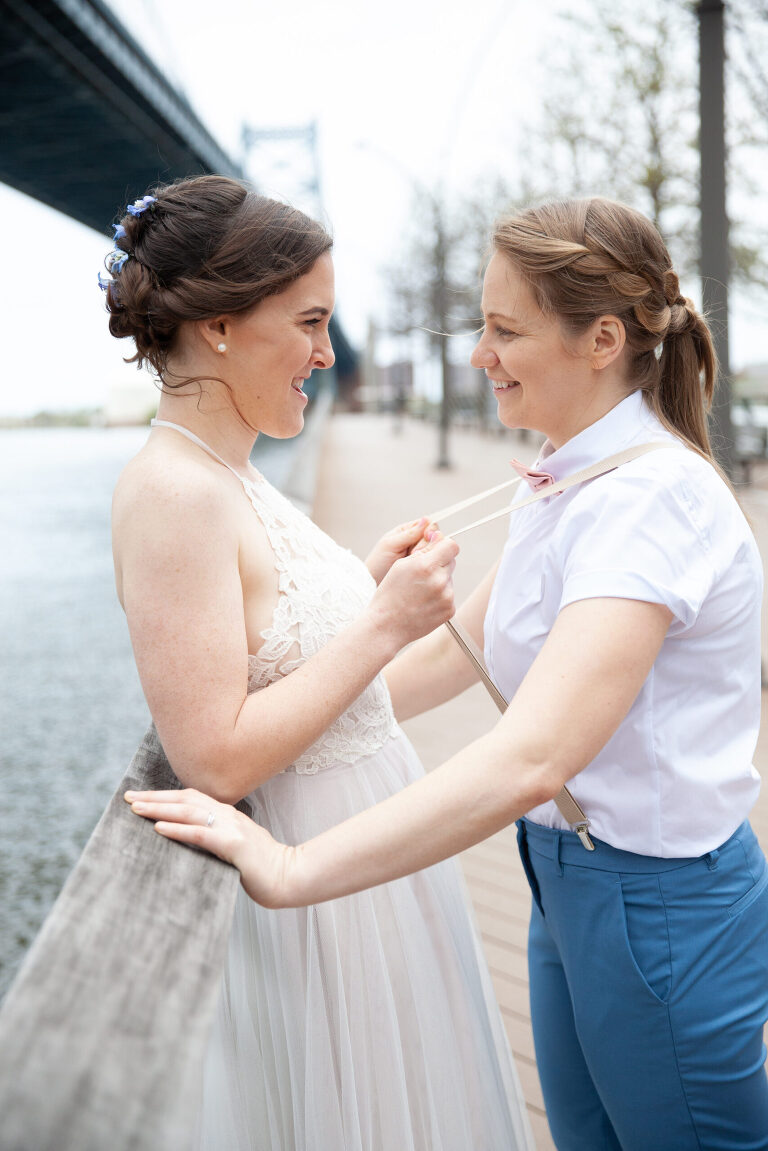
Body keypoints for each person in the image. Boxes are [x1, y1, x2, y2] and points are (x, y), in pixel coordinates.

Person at [129, 196, 768, 1151]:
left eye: (504, 329)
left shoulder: (650, 500)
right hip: (565, 883)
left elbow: (533, 757)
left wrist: (296, 866)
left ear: (601, 341)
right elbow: (446, 657)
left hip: (655, 902)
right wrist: (314, 669)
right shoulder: (569, 478)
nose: (478, 354)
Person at [104, 175, 534, 1151]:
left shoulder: (231, 472)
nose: (327, 354)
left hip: (366, 866)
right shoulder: (174, 493)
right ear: (218, 324)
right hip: (311, 899)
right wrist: (378, 622)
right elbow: (214, 756)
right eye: (308, 322)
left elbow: (363, 703)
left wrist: (538, 539)